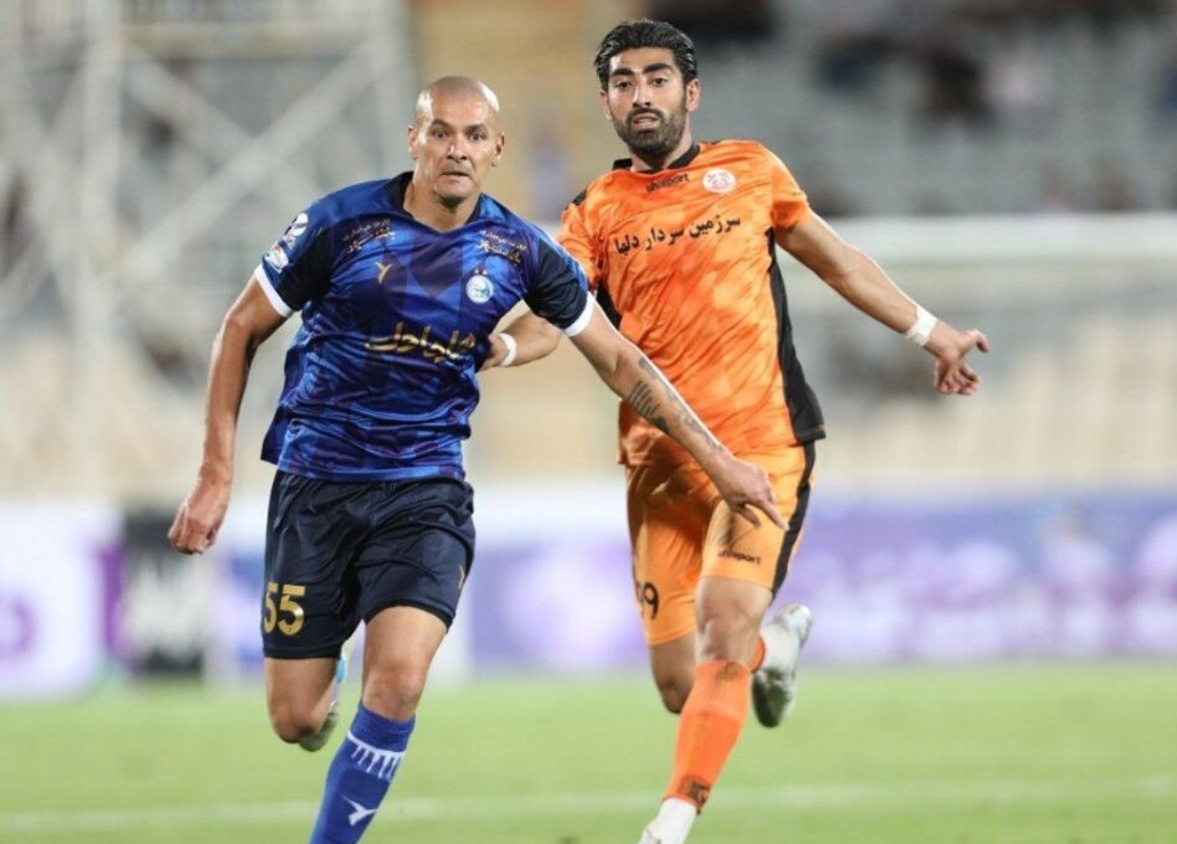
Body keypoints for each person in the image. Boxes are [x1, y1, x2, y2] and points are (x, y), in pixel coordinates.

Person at [167, 75, 786, 844]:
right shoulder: (339, 225)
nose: (456, 149)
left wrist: (721, 460)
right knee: (296, 719)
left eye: (473, 136)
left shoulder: (519, 251)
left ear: (497, 150)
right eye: (440, 132)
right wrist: (215, 474)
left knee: (398, 681)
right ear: (414, 141)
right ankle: (323, 684)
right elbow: (240, 328)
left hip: (424, 492)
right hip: (315, 486)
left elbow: (621, 361)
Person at [492, 20, 989, 844]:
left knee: (724, 626)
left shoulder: (751, 170)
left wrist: (931, 332)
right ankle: (774, 651)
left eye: (657, 79)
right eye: (623, 83)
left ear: (690, 92)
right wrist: (500, 347)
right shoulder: (593, 212)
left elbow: (836, 259)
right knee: (677, 682)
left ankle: (673, 819)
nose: (641, 95)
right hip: (659, 462)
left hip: (763, 446)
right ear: (607, 103)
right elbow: (555, 319)